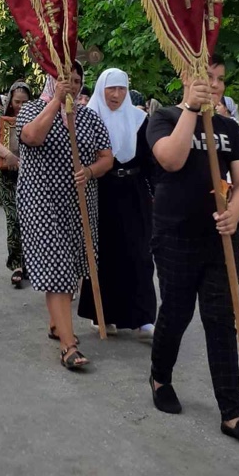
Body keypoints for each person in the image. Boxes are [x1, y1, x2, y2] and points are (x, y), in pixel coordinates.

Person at [146, 61, 239, 448]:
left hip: (219, 240)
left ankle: (231, 413)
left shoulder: (229, 128)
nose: (214, 85)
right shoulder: (162, 118)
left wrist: (235, 214)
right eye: (206, 78)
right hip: (175, 234)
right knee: (177, 313)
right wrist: (193, 112)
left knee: (221, 320)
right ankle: (160, 377)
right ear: (186, 78)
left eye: (219, 80)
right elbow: (171, 159)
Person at [16, 62, 114, 370]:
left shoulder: (88, 117)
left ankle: (57, 323)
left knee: (72, 266)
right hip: (41, 201)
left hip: (79, 203)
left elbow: (106, 158)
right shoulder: (32, 109)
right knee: (56, 269)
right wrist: (57, 102)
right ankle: (68, 346)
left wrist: (90, 171)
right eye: (63, 80)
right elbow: (32, 137)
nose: (69, 85)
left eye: (74, 80)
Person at [78, 69, 158, 338]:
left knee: (139, 253)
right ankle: (103, 313)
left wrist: (160, 193)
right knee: (104, 255)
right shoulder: (88, 118)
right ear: (101, 89)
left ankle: (143, 317)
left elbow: (150, 162)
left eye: (121, 89)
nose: (115, 95)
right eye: (110, 88)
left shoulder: (139, 120)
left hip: (134, 193)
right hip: (100, 192)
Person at [0, 81, 30, 288]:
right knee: (14, 218)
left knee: (30, 219)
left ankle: (31, 263)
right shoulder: (0, 116)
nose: (20, 106)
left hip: (29, 175)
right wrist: (8, 155)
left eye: (24, 102)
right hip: (6, 175)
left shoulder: (35, 115)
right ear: (10, 98)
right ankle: (16, 265)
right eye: (17, 101)